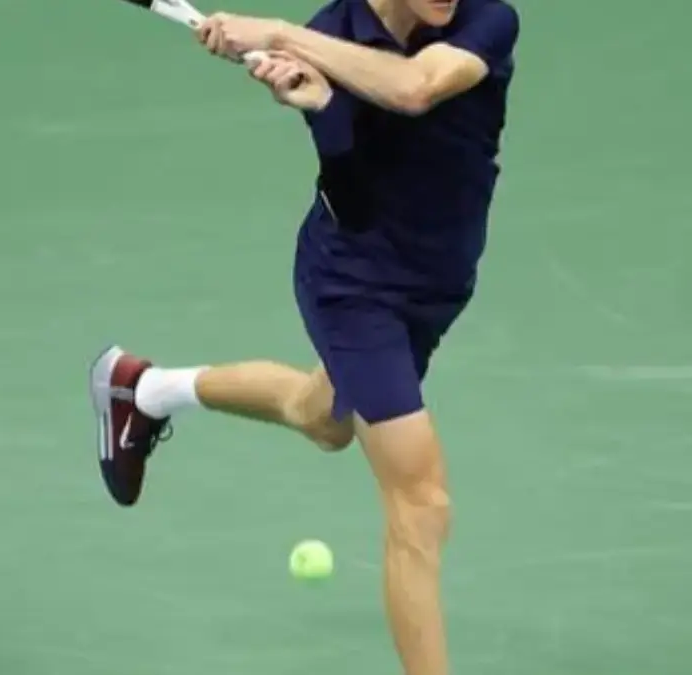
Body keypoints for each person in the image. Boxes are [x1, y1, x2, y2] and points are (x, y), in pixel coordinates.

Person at [89, 0, 519, 673]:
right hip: (355, 285)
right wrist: (320, 109)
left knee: (323, 417)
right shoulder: (330, 36)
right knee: (421, 503)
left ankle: (142, 389)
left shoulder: (486, 19)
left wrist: (284, 37)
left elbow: (417, 87)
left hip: (438, 283)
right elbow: (352, 194)